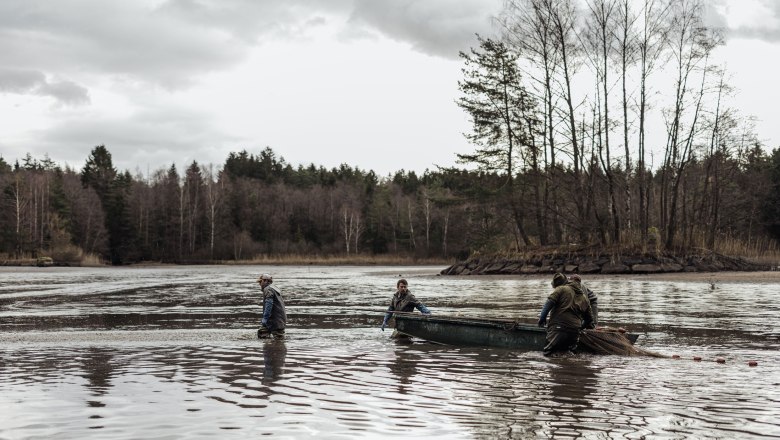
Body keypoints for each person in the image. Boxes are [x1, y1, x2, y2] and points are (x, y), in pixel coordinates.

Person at [537, 272, 594, 356]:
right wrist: (579, 328)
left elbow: (549, 303)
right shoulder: (584, 298)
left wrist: (542, 318)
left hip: (558, 328)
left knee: (548, 354)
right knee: (569, 354)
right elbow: (589, 319)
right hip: (574, 332)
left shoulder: (561, 289)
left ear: (569, 280)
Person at [257, 273, 286, 338]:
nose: (260, 285)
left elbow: (269, 304)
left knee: (278, 337)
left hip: (274, 320)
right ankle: (269, 346)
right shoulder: (274, 288)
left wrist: (265, 318)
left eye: (260, 282)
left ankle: (274, 347)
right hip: (279, 319)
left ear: (265, 281)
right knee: (262, 333)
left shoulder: (268, 289)